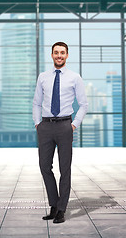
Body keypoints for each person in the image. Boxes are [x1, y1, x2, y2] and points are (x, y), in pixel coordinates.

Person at [32, 41, 88, 223]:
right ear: (51, 55)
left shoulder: (75, 77)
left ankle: (61, 210)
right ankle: (54, 205)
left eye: (62, 53)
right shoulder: (43, 77)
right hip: (46, 127)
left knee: (65, 169)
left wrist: (74, 124)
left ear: (67, 55)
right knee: (44, 166)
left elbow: (83, 104)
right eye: (56, 53)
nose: (59, 56)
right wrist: (37, 123)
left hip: (65, 126)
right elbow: (36, 103)